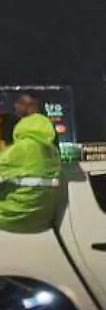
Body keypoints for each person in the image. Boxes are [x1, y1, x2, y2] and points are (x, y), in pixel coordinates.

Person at [0, 93, 59, 234]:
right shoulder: (52, 151)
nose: (16, 106)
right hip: (42, 217)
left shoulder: (21, 148)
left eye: (21, 102)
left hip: (15, 215)